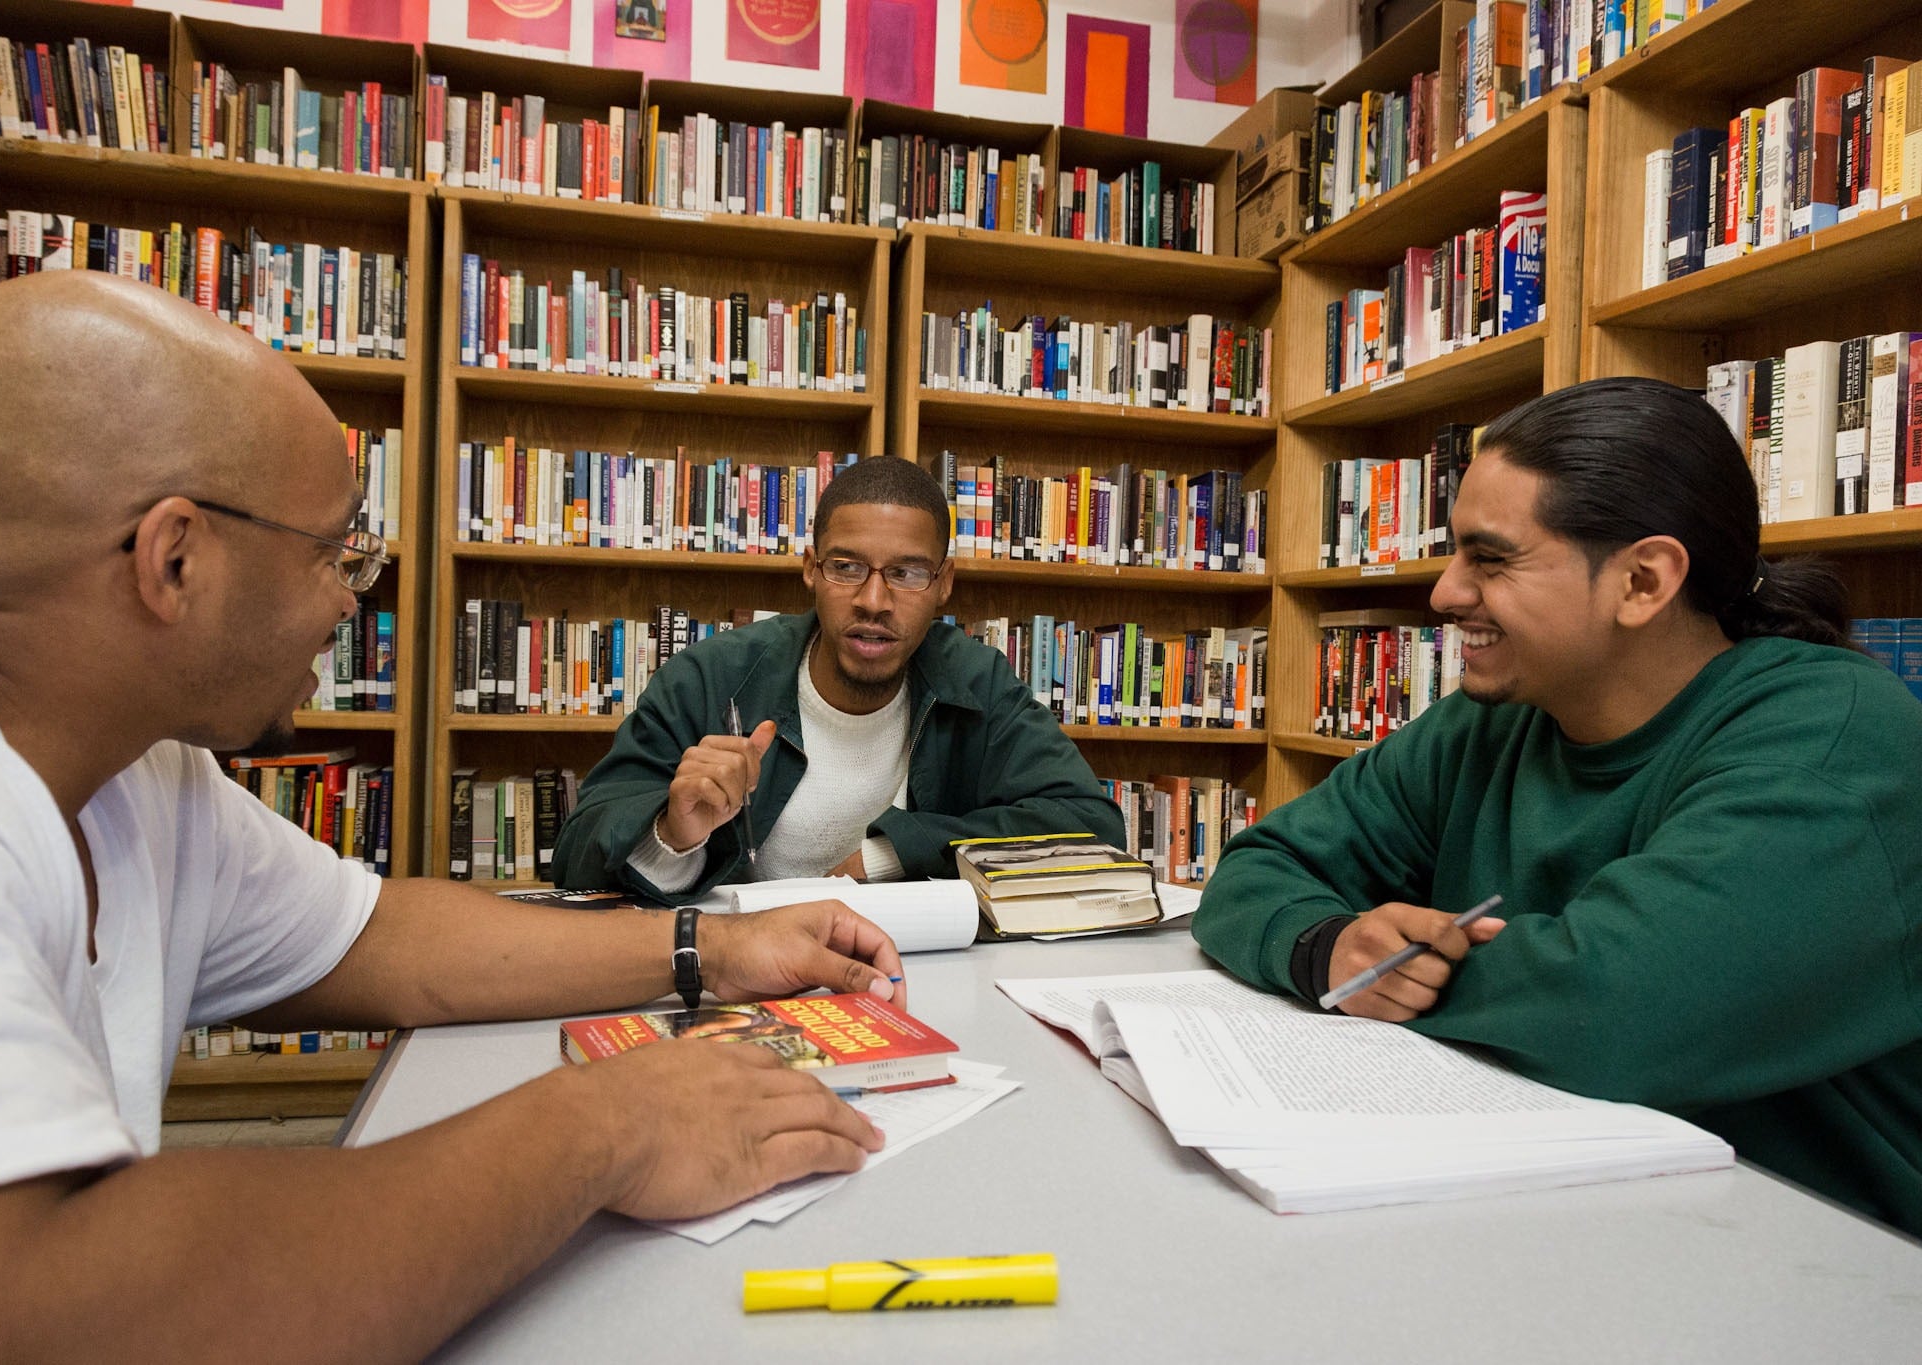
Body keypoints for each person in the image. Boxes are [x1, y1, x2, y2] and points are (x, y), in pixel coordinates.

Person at [0, 272, 909, 1360]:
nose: (349, 598)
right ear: (173, 560)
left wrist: (715, 946)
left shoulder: (145, 771)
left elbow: (379, 939)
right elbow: (37, 1321)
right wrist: (614, 1123)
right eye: (334, 552)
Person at [1192, 376, 1922, 1236]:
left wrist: (1395, 979)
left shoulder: (1838, 741)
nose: (1444, 593)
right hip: (1583, 1206)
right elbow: (1256, 870)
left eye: (1490, 559)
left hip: (1829, 1254)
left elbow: (1620, 1007)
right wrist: (1327, 948)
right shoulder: (1491, 722)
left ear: (1643, 581)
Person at [552, 455, 1128, 900]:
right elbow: (574, 858)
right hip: (739, 978)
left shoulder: (978, 682)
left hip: (913, 976)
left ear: (944, 583)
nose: (873, 601)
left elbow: (1092, 829)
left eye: (906, 573)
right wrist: (672, 834)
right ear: (811, 569)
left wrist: (887, 856)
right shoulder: (709, 677)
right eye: (847, 567)